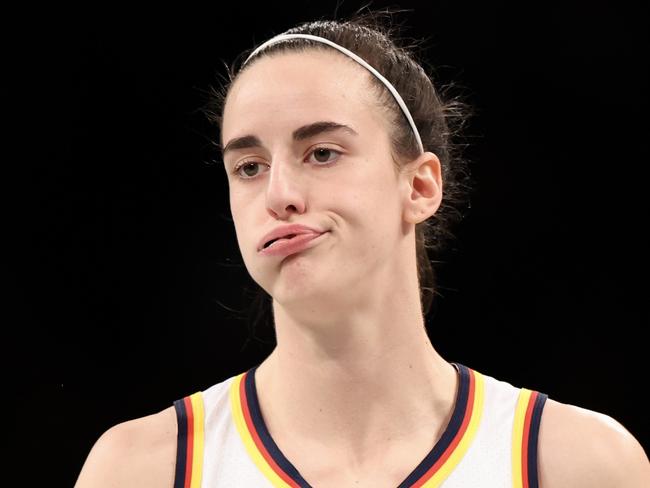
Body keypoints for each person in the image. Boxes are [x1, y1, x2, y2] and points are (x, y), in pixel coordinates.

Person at [74, 10, 649, 488]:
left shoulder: (573, 464)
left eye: (321, 152)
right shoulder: (142, 469)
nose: (279, 195)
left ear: (420, 185)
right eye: (248, 166)